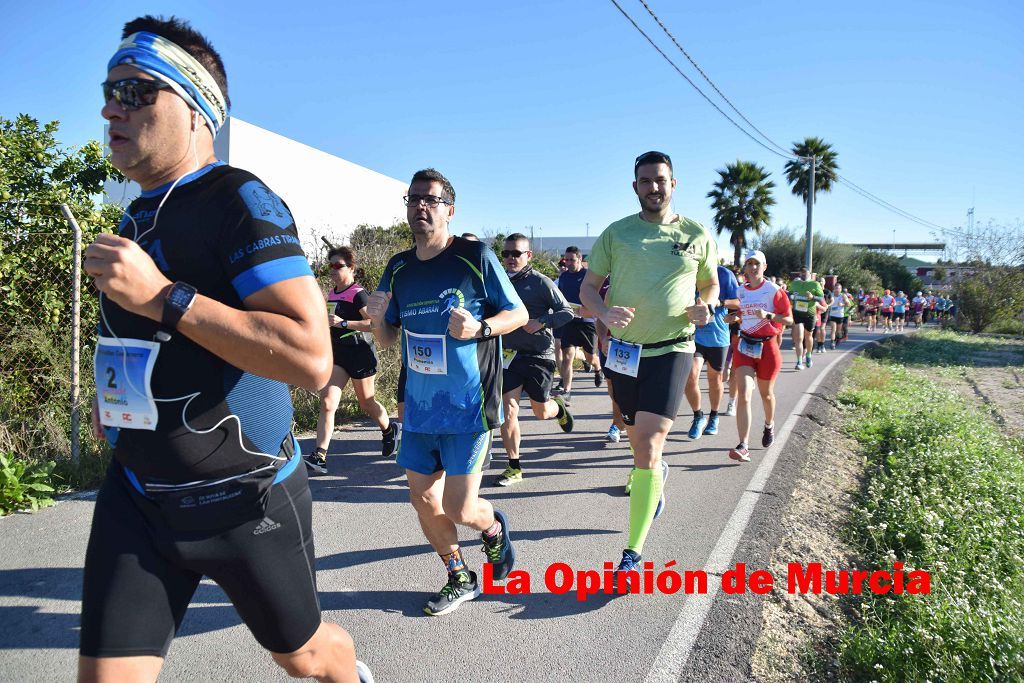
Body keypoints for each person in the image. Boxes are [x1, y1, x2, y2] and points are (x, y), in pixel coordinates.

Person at [83, 16, 372, 682]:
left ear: (195, 108)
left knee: (305, 658)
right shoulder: (139, 213)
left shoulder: (240, 200)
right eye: (109, 89)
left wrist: (164, 297)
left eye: (134, 91)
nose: (109, 107)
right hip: (139, 495)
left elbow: (308, 357)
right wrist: (117, 401)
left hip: (244, 499)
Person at [366, 168, 526, 615]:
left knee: (459, 508)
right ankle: (459, 575)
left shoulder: (475, 256)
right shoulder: (397, 266)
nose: (420, 206)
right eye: (413, 198)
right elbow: (387, 339)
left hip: (467, 406)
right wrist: (378, 318)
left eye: (430, 199)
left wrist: (482, 327)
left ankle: (492, 528)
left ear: (449, 210)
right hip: (419, 407)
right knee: (421, 498)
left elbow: (518, 312)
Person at [580, 151, 718, 578]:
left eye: (660, 179)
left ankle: (632, 554)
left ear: (673, 183)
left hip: (674, 347)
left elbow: (709, 282)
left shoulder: (697, 233)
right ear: (635, 187)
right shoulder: (616, 234)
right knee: (631, 432)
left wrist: (705, 305)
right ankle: (654, 472)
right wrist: (602, 312)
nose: (653, 187)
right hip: (625, 351)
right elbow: (588, 287)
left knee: (649, 438)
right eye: (645, 181)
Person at [307, 246, 397, 473]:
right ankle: (320, 456)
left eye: (339, 266)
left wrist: (344, 323)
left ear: (352, 268)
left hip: (360, 355)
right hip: (339, 355)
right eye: (331, 266)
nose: (333, 270)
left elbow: (373, 324)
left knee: (367, 403)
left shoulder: (358, 294)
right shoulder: (332, 292)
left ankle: (389, 430)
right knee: (327, 403)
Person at [494, 233, 575, 486]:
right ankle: (514, 466)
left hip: (539, 355)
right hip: (509, 356)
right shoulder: (498, 281)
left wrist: (541, 322)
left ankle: (557, 407)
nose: (509, 258)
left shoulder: (541, 283)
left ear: (528, 255)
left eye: (515, 253)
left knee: (541, 412)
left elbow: (567, 313)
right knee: (508, 410)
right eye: (506, 254)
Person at [724, 250, 793, 462]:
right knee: (744, 392)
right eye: (749, 264)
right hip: (745, 345)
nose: (752, 268)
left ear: (764, 267)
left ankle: (769, 425)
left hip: (768, 347)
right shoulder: (741, 291)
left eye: (757, 264)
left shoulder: (774, 291)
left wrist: (769, 315)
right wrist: (733, 317)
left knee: (766, 395)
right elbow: (737, 315)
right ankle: (743, 444)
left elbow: (789, 320)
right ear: (745, 268)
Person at [685, 264, 740, 439]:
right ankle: (698, 415)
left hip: (718, 337)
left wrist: (720, 303)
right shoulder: (688, 270)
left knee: (715, 378)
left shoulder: (724, 274)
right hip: (694, 336)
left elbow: (740, 301)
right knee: (690, 375)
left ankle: (714, 416)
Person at [555, 246, 603, 402]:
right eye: (566, 260)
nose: (568, 263)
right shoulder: (563, 277)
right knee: (567, 357)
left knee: (590, 357)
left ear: (580, 259)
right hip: (569, 321)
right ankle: (567, 391)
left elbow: (598, 296)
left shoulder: (588, 276)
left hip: (587, 323)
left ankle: (598, 368)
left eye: (572, 260)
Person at [788, 266, 825, 370]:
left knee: (808, 336)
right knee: (798, 337)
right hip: (797, 313)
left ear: (810, 273)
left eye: (806, 273)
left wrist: (812, 297)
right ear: (800, 274)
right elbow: (789, 293)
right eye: (802, 273)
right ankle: (799, 361)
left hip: (810, 314)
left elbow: (821, 298)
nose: (804, 274)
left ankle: (808, 355)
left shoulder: (815, 284)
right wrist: (791, 296)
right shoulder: (795, 283)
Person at [827, 284, 853, 349]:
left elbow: (849, 304)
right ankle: (832, 342)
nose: (837, 290)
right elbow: (827, 302)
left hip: (840, 316)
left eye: (838, 288)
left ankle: (838, 339)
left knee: (838, 331)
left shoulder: (843, 296)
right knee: (833, 329)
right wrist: (828, 303)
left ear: (840, 289)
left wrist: (842, 304)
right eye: (836, 288)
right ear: (834, 289)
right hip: (832, 315)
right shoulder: (831, 295)